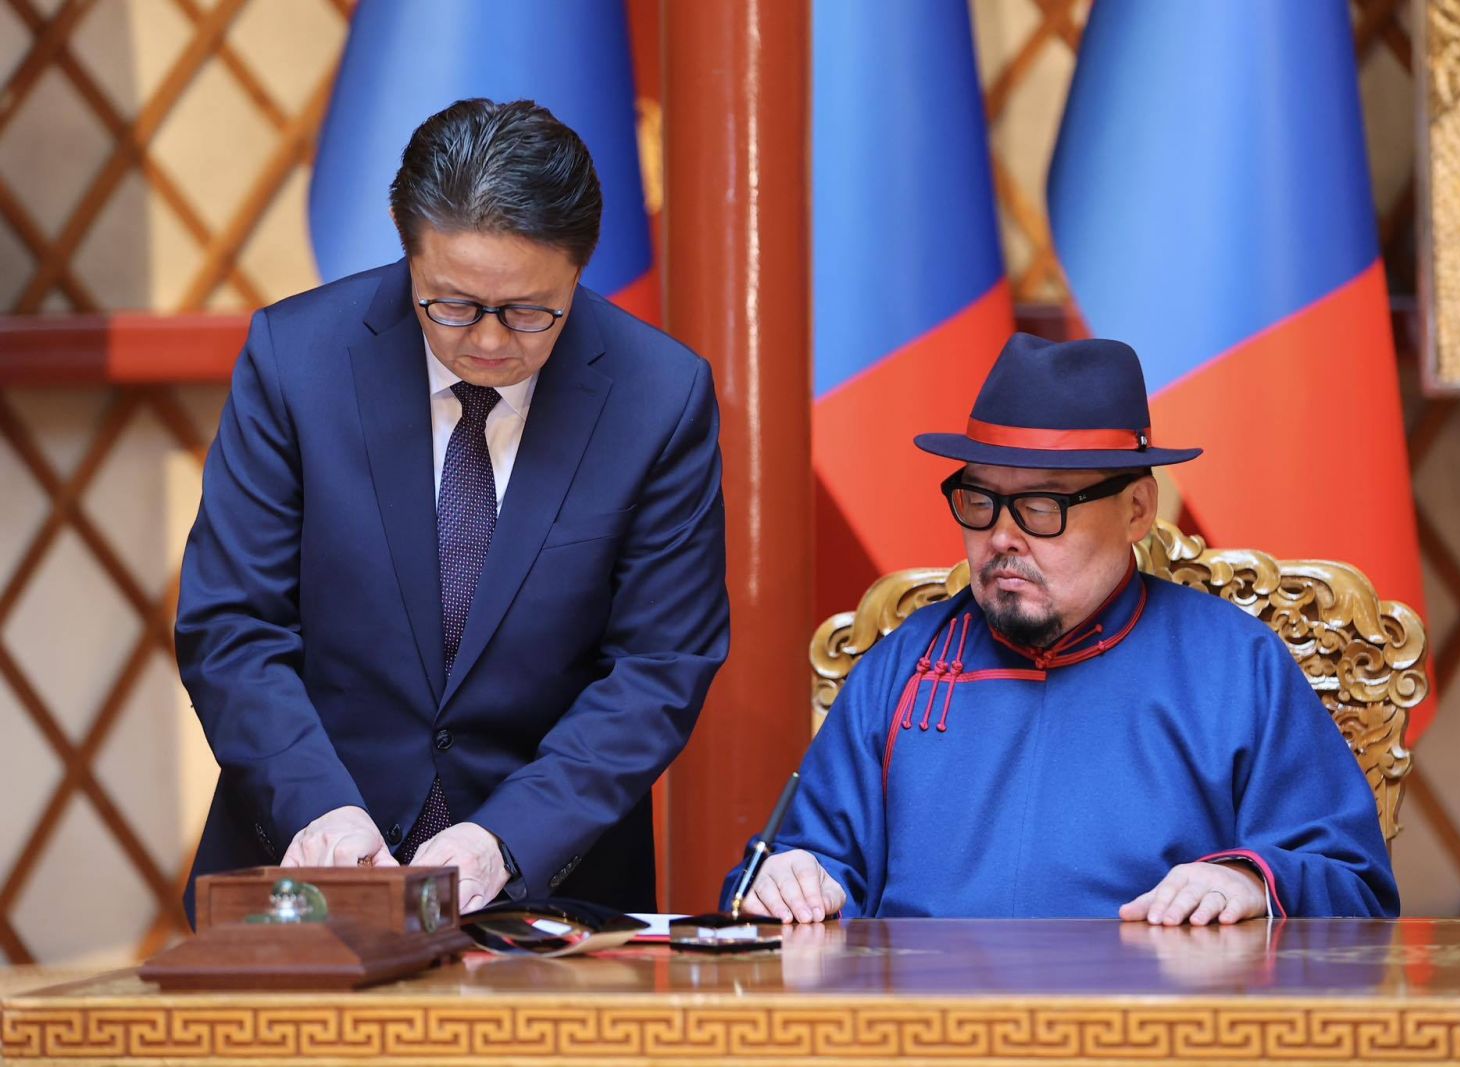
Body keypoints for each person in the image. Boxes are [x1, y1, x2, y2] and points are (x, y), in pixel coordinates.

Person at [177, 98, 728, 919]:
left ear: (579, 270)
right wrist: (320, 806)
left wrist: (507, 837)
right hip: (306, 874)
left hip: (545, 895)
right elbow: (232, 624)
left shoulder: (658, 396)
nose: (491, 341)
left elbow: (659, 663)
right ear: (408, 250)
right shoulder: (297, 361)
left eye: (531, 311)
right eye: (455, 304)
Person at [732, 334, 1397, 925]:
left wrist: (1250, 880)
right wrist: (787, 881)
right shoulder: (901, 667)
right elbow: (805, 867)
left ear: (1137, 509)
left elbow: (1355, 886)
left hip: (1155, 1017)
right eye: (979, 500)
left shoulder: (1235, 665)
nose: (1001, 536)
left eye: (1041, 506)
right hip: (929, 1017)